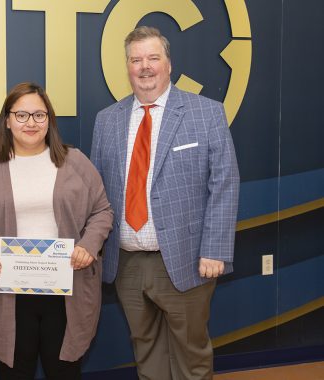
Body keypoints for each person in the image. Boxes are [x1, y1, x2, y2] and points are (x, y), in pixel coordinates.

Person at [91, 26, 240, 379]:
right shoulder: (107, 120)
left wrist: (215, 250)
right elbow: (96, 191)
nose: (145, 66)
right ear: (127, 66)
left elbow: (225, 183)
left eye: (153, 58)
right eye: (136, 59)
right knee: (146, 351)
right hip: (125, 262)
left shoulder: (206, 113)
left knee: (191, 355)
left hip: (186, 259)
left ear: (168, 64)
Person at [0, 82, 113, 379]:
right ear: (7, 120)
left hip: (67, 289)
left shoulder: (74, 161)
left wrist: (89, 245)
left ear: (49, 120)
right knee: (15, 372)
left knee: (64, 371)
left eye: (39, 115)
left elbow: (102, 211)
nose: (31, 123)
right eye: (21, 115)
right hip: (7, 292)